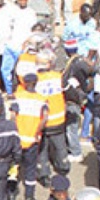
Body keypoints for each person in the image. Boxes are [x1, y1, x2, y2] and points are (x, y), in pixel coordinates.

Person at [8, 73, 48, 200]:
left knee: (13, 168)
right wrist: (37, 132)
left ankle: (11, 199)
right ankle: (29, 198)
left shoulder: (18, 97)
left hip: (18, 140)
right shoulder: (42, 99)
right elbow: (45, 118)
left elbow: (13, 116)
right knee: (30, 170)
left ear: (24, 84)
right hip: (32, 140)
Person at [34, 50, 70, 184]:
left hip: (41, 122)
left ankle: (43, 173)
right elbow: (70, 93)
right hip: (58, 120)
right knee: (60, 146)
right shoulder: (58, 77)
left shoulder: (33, 80)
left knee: (42, 149)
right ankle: (63, 167)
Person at [62, 53, 96, 161]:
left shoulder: (74, 76)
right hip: (75, 102)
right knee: (71, 128)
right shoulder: (84, 78)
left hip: (73, 102)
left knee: (71, 128)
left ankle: (76, 152)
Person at [0, 0, 38, 95]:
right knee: (5, 71)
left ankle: (22, 91)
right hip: (10, 46)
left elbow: (34, 31)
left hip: (22, 49)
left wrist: (27, 43)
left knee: (20, 72)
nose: (23, 1)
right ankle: (9, 92)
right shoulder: (12, 11)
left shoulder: (31, 13)